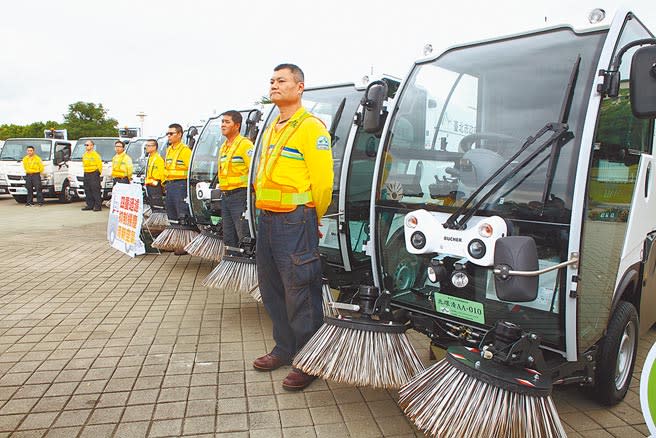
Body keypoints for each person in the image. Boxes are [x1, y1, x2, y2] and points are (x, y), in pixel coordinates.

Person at [252, 64, 334, 391]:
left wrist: (313, 217)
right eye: (271, 80)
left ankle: (308, 359)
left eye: (281, 80)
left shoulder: (310, 127)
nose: (274, 85)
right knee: (271, 289)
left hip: (295, 219)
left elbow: (324, 183)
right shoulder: (275, 125)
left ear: (299, 87)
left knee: (300, 291)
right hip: (268, 219)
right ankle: (284, 349)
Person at [218, 110, 254, 250]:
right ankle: (232, 263)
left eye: (227, 122)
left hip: (240, 196)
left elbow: (255, 170)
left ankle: (247, 263)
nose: (223, 125)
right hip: (226, 196)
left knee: (242, 234)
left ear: (237, 125)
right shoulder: (223, 147)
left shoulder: (245, 145)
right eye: (222, 122)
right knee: (229, 235)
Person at [163, 123, 193, 255]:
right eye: (167, 134)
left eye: (171, 133)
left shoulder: (185, 151)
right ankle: (175, 242)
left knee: (182, 214)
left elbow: (191, 169)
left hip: (180, 185)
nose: (168, 136)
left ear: (179, 134)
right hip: (170, 184)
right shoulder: (169, 150)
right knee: (172, 214)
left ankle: (183, 244)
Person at [81, 140, 103, 211]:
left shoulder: (96, 155)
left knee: (95, 190)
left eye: (88, 145)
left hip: (94, 173)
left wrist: (97, 173)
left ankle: (97, 206)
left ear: (92, 146)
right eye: (86, 145)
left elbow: (99, 165)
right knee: (87, 190)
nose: (86, 146)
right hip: (86, 173)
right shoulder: (85, 155)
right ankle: (90, 205)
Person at [144, 138, 165, 208]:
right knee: (152, 206)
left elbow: (162, 175)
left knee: (157, 206)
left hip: (156, 187)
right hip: (149, 186)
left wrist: (164, 188)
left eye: (148, 145)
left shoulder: (158, 159)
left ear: (154, 147)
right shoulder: (150, 158)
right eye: (146, 145)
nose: (146, 147)